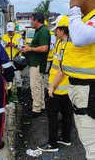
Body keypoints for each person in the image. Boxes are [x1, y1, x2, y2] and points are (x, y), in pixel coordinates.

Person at [62, 0, 95, 159]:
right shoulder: (86, 20)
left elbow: (80, 38)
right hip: (83, 90)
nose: (72, 0)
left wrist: (74, 7)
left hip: (89, 91)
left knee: (92, 147)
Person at [37, 15, 73, 152]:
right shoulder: (62, 43)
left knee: (52, 114)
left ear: (62, 30)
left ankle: (52, 144)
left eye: (56, 29)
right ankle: (66, 138)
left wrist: (51, 86)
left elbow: (62, 70)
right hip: (65, 89)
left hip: (58, 88)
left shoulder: (67, 46)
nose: (54, 32)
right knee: (67, 113)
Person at [21, 12, 50, 118]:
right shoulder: (40, 31)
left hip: (37, 63)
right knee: (40, 85)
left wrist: (30, 49)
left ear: (36, 20)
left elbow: (44, 48)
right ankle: (41, 105)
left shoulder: (43, 31)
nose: (31, 22)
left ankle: (36, 109)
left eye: (32, 20)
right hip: (36, 63)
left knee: (35, 86)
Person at [1, 22, 24, 101]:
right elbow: (0, 48)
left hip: (16, 61)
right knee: (8, 78)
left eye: (11, 30)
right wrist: (6, 45)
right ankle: (9, 94)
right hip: (7, 61)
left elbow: (22, 48)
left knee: (18, 78)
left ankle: (19, 95)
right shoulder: (4, 37)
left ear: (14, 29)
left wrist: (15, 46)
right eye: (9, 31)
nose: (10, 32)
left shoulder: (19, 37)